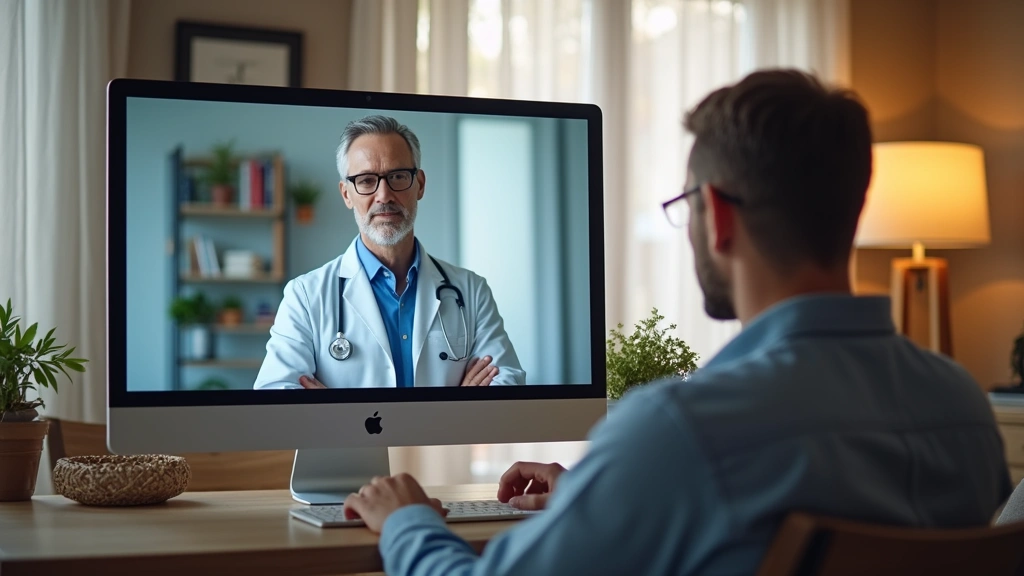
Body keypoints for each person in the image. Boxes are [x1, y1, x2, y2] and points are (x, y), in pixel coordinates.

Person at [337, 70, 1012, 574]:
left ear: (715, 216)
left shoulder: (682, 429)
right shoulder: (962, 406)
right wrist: (607, 492)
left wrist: (408, 522)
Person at [254, 115, 525, 389]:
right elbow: (275, 395)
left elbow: (507, 382)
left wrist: (331, 410)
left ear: (419, 184)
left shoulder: (471, 291)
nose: (384, 195)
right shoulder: (305, 296)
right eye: (367, 180)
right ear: (347, 194)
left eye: (397, 176)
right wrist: (456, 407)